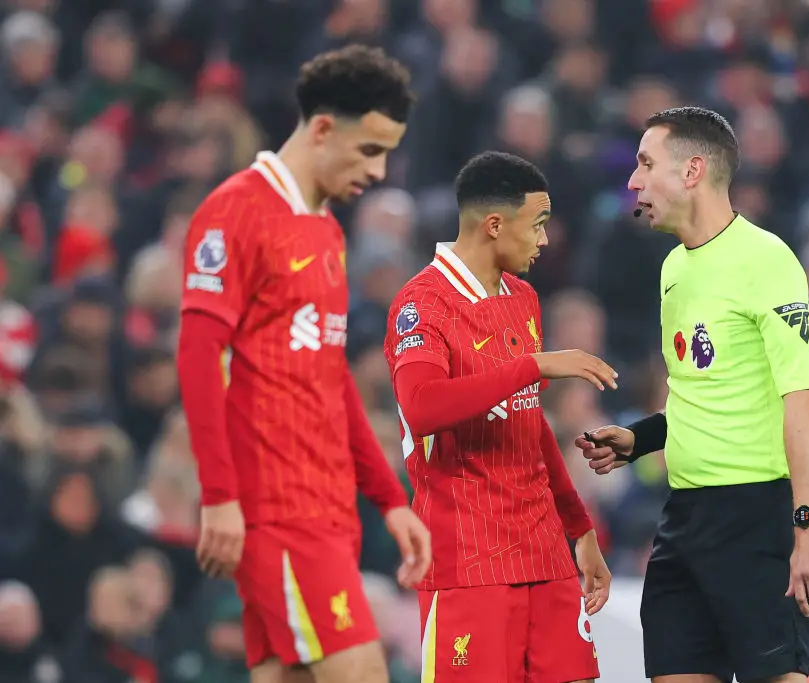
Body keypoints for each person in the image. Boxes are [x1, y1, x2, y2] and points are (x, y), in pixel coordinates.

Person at [176, 45, 432, 683]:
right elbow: (199, 357)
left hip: (327, 505)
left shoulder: (326, 230)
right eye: (371, 150)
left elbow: (329, 373)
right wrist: (219, 497)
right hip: (278, 509)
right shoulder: (235, 211)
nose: (379, 171)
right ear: (322, 129)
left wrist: (388, 498)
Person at [576, 107, 809, 683]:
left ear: (692, 170)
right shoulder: (673, 269)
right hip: (684, 518)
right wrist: (639, 438)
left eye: (646, 164)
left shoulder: (766, 261)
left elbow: (804, 400)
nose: (633, 181)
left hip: (758, 517)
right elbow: (699, 392)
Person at [383, 151, 615, 683]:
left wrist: (578, 528)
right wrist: (532, 365)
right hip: (469, 562)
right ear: (494, 224)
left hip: (543, 553)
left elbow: (529, 424)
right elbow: (421, 408)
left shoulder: (525, 299)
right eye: (537, 224)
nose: (545, 239)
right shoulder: (421, 304)